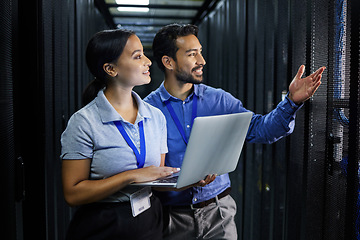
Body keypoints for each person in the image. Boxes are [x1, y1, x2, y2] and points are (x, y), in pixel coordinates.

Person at [144, 23, 326, 240]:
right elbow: (144, 172)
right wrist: (182, 179)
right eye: (192, 54)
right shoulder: (148, 109)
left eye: (200, 52)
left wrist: (291, 102)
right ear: (168, 62)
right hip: (170, 219)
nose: (202, 61)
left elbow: (261, 130)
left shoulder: (218, 99)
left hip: (218, 213)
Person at [60, 29, 180, 240]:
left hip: (149, 220)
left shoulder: (156, 117)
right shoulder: (83, 122)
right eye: (137, 56)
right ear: (110, 69)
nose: (148, 62)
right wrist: (130, 176)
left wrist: (189, 179)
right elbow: (72, 193)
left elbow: (155, 177)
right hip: (104, 226)